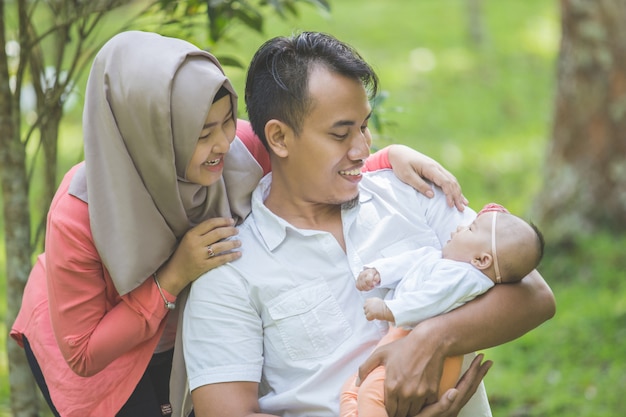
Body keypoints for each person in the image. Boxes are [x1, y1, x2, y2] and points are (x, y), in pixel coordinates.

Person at [9, 30, 467, 417]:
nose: (222, 143)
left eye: (225, 121)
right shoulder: (79, 213)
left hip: (187, 330)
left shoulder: (240, 148)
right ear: (150, 135)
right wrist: (172, 278)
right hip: (100, 354)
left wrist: (392, 158)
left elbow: (316, 161)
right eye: (200, 133)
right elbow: (84, 352)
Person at [182, 31, 555, 417]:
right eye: (341, 134)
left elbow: (534, 295)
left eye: (364, 126)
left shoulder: (410, 193)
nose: (363, 149)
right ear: (279, 137)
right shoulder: (230, 270)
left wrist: (431, 339)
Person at [339, 203, 545, 417]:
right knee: (352, 390)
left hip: (425, 351)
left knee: (370, 395)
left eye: (470, 229)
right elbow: (412, 262)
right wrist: (378, 272)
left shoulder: (465, 278)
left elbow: (429, 301)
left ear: (482, 260)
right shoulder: (446, 261)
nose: (458, 228)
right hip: (401, 339)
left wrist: (387, 309)